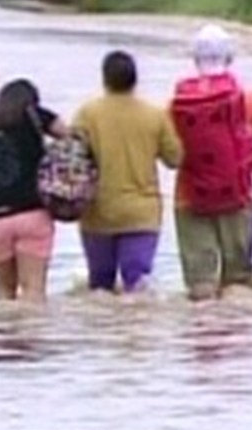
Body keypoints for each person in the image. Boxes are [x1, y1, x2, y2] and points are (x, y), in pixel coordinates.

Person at [170, 24, 252, 301]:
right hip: (238, 196)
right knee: (238, 282)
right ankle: (234, 335)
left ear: (195, 59)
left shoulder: (178, 102)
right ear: (230, 58)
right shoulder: (248, 100)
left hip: (189, 198)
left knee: (200, 287)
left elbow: (172, 153)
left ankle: (202, 339)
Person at [72, 51, 183, 294]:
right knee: (138, 285)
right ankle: (134, 331)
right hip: (141, 214)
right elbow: (174, 159)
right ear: (135, 79)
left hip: (97, 212)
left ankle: (106, 331)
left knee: (99, 287)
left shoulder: (87, 114)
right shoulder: (155, 115)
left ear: (105, 79)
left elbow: (72, 160)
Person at [0, 79, 70, 302]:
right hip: (32, 213)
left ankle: (0, 334)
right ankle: (33, 335)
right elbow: (69, 135)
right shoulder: (35, 116)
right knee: (33, 290)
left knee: (2, 293)